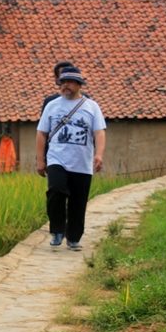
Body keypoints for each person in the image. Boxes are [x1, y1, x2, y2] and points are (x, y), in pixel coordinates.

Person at [36, 66, 106, 250]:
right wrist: (40, 160)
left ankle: (73, 237)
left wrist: (99, 154)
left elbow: (99, 132)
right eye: (62, 82)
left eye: (69, 82)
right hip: (57, 159)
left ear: (78, 85)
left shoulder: (92, 107)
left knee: (78, 201)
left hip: (82, 163)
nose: (65, 85)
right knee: (56, 191)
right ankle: (57, 230)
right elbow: (41, 133)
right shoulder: (52, 106)